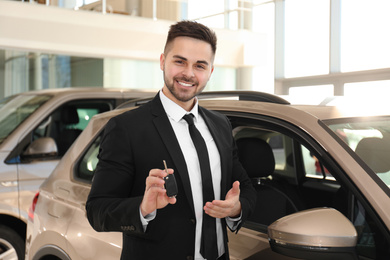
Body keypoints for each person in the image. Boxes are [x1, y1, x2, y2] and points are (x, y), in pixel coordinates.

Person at [86, 20, 256, 260]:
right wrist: (143, 208)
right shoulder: (127, 128)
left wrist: (237, 208)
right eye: (180, 61)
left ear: (210, 72)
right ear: (162, 61)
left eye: (199, 65)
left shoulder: (220, 124)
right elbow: (97, 211)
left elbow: (245, 188)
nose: (188, 73)